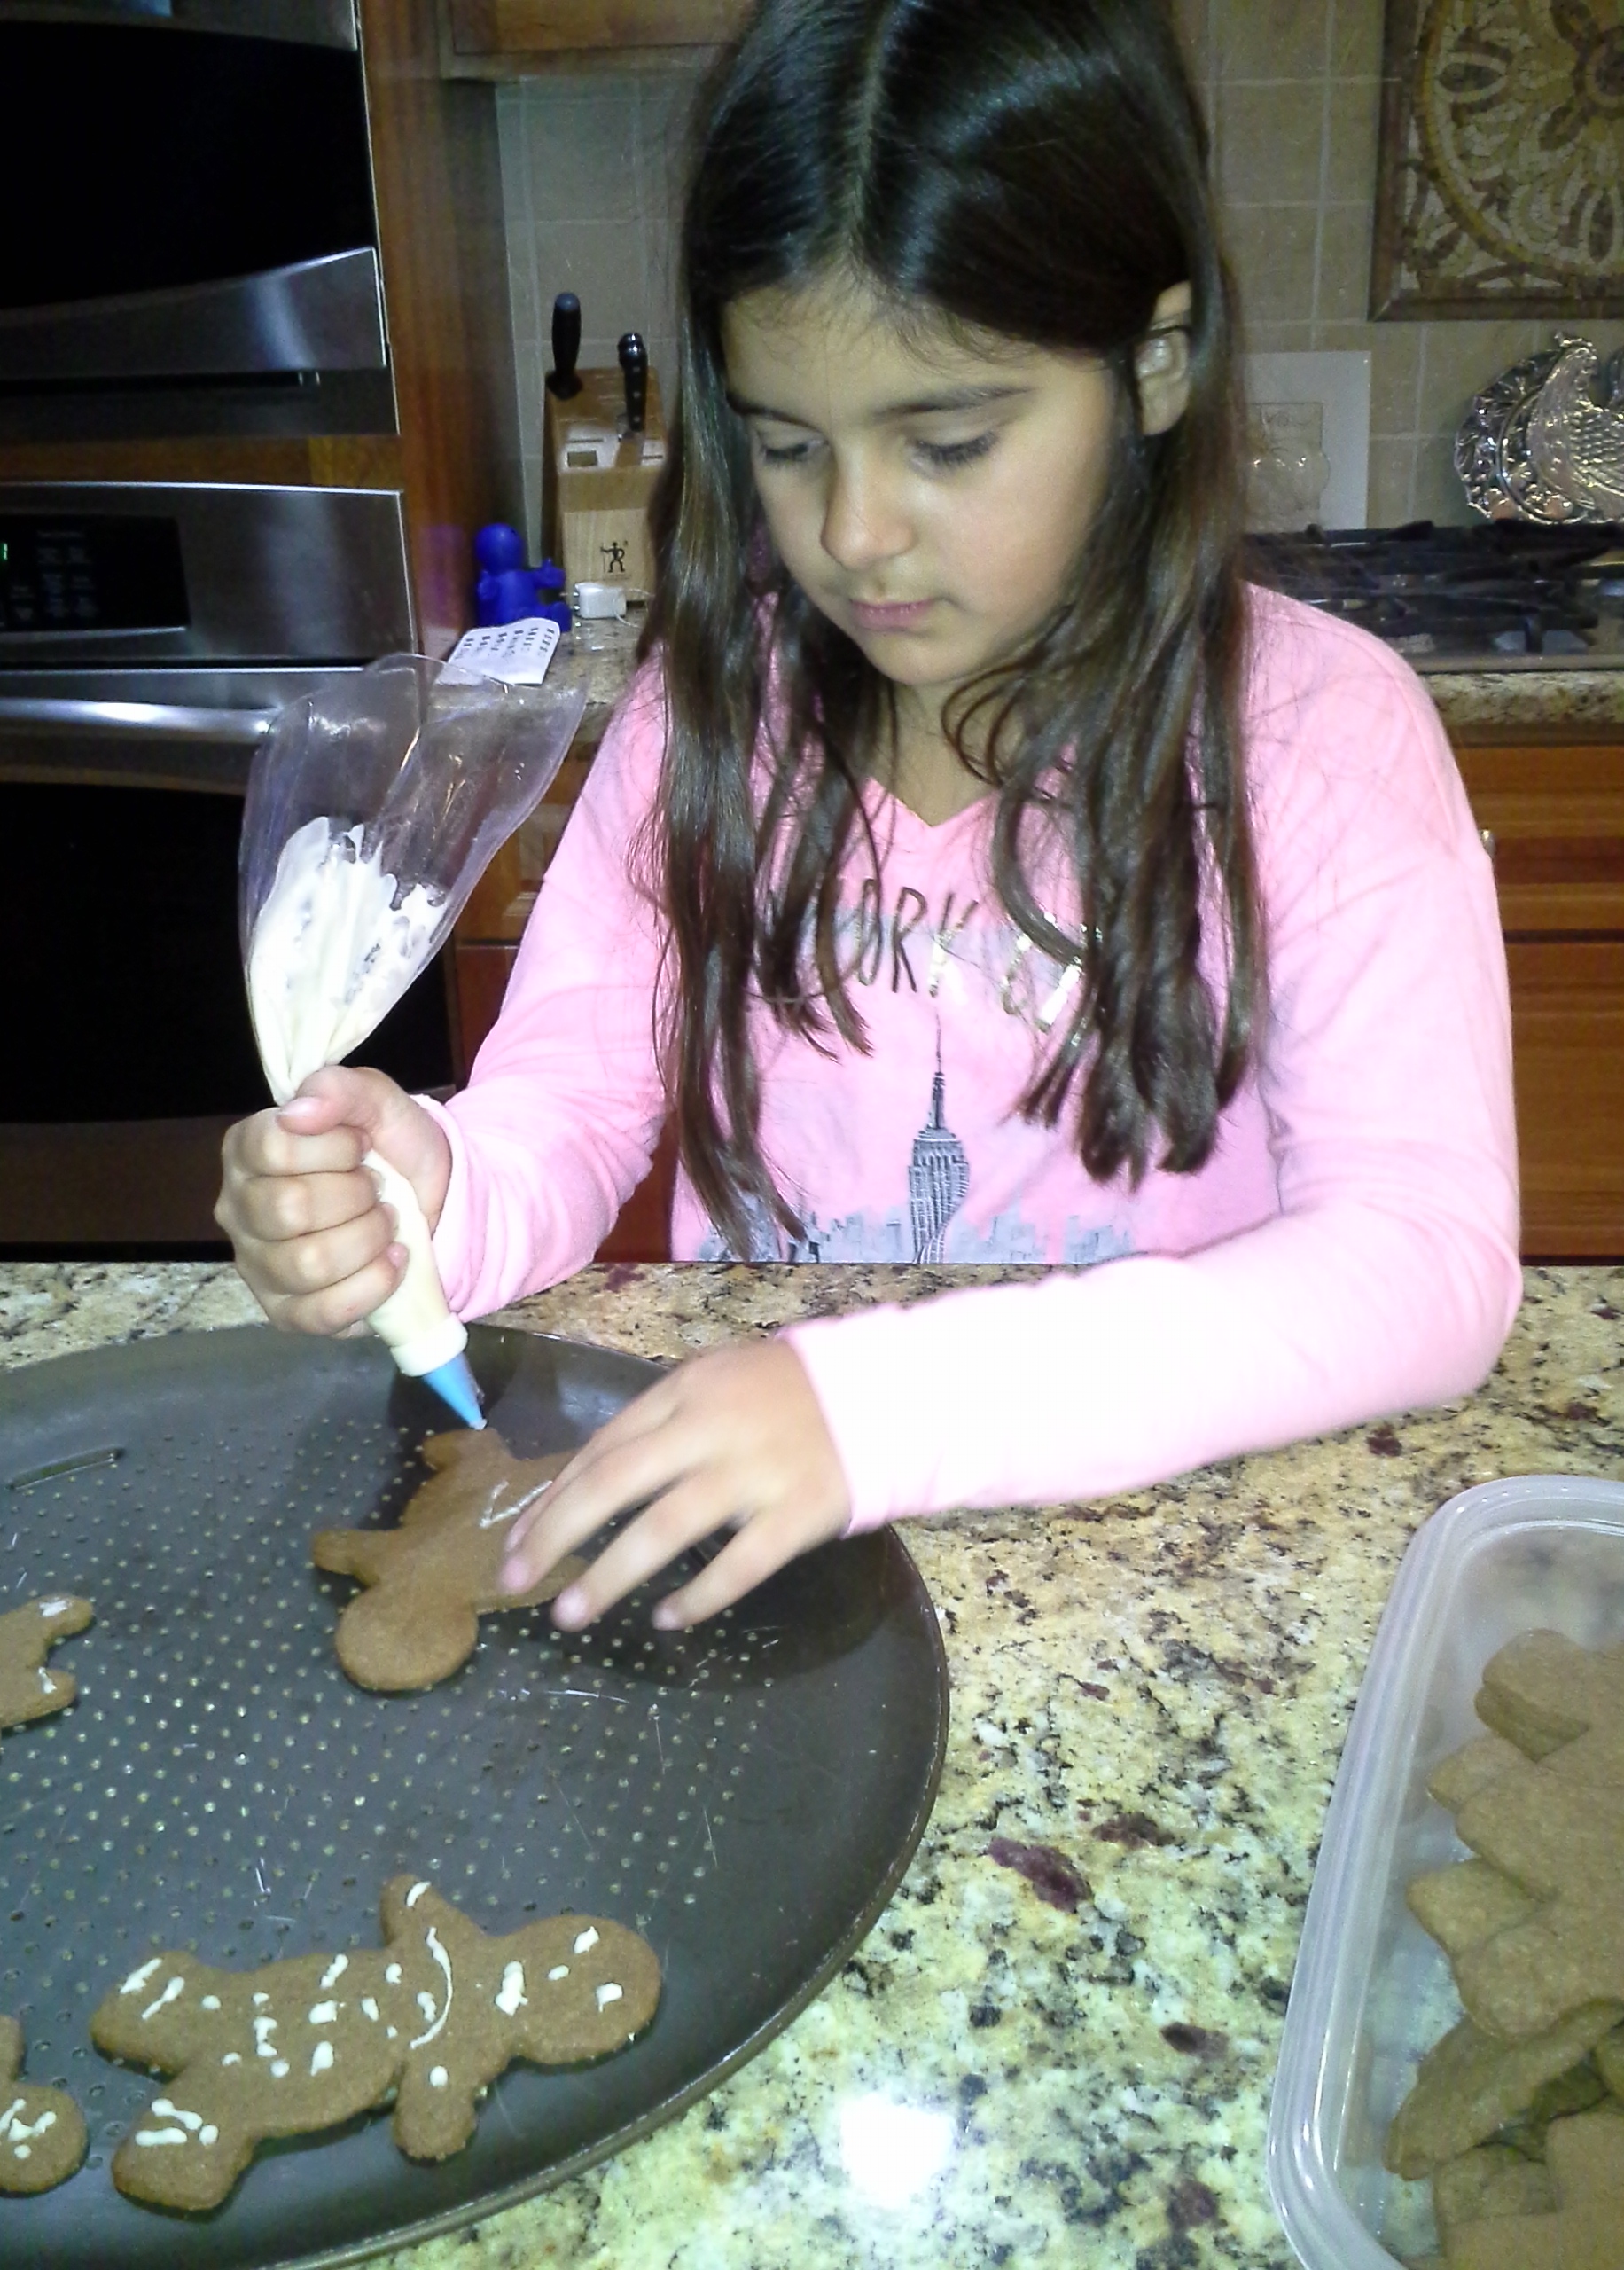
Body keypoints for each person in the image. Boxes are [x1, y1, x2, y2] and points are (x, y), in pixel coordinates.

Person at [216, 0, 1519, 1635]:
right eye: (786, 445)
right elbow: (568, 1103)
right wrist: (429, 1196)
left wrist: (879, 1406)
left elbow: (1424, 1259)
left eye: (949, 442)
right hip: (789, 1581)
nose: (853, 531)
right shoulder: (709, 713)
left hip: (1155, 1573)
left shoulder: (1318, 737)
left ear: (1154, 364)